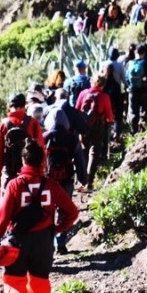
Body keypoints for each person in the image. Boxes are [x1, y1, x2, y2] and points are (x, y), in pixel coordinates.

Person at [0, 140, 79, 293]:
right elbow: (72, 212)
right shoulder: (51, 185)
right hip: (44, 242)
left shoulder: (14, 185)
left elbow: (2, 219)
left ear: (23, 160)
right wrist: (56, 229)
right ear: (43, 161)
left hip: (18, 241)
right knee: (40, 283)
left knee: (15, 282)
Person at [43, 107, 86, 254]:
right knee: (64, 211)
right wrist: (83, 179)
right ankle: (60, 243)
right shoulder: (72, 138)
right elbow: (80, 160)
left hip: (47, 180)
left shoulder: (44, 137)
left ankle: (47, 242)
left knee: (47, 211)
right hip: (66, 179)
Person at [0, 92, 45, 206]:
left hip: (9, 172)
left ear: (9, 106)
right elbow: (41, 149)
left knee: (6, 206)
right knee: (32, 205)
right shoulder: (34, 124)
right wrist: (40, 171)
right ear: (25, 105)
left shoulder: (2, 125)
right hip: (31, 173)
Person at [75, 75, 114, 190]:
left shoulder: (83, 94)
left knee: (83, 152)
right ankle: (89, 182)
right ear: (103, 84)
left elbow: (77, 110)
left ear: (91, 82)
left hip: (83, 127)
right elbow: (109, 116)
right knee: (94, 153)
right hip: (98, 127)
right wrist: (108, 120)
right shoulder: (104, 96)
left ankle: (80, 181)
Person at [126, 43, 147, 133]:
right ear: (144, 53)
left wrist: (129, 86)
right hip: (144, 91)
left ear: (135, 52)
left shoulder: (130, 63)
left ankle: (133, 131)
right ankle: (143, 131)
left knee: (133, 112)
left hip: (132, 91)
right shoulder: (146, 63)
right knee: (143, 112)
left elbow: (126, 77)